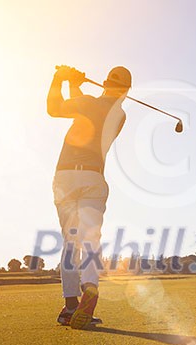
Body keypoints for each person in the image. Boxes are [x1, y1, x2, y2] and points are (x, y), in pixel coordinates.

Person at [47, 65, 131, 329]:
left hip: (65, 178)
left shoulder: (86, 103)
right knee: (91, 241)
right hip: (93, 179)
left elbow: (56, 108)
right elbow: (85, 111)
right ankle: (90, 291)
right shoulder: (120, 114)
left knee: (71, 244)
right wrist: (75, 84)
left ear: (104, 83)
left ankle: (70, 307)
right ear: (126, 92)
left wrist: (60, 79)